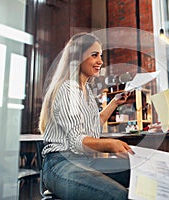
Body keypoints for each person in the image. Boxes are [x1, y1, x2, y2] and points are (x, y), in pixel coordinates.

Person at [39, 32, 134, 200]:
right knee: (118, 196)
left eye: (101, 55)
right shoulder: (68, 90)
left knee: (137, 174)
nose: (100, 61)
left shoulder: (87, 91)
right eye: (94, 55)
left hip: (83, 162)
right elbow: (78, 140)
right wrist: (110, 145)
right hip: (60, 165)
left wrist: (114, 103)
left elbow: (93, 125)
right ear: (77, 58)